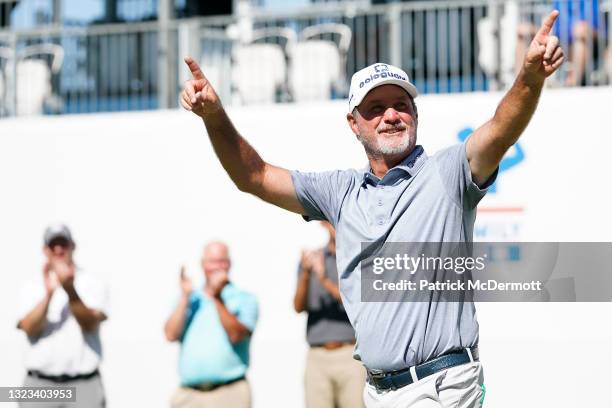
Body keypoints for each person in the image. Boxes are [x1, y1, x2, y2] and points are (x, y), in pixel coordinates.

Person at [179, 9, 564, 407]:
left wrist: (530, 78)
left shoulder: (447, 171)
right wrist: (214, 117)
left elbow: (500, 129)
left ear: (415, 115)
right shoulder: (339, 191)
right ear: (353, 123)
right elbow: (254, 177)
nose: (391, 115)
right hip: (377, 392)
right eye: (375, 108)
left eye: (401, 104)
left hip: (443, 386)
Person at [16, 224, 109, 408]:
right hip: (39, 384)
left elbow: (90, 324)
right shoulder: (30, 285)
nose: (58, 249)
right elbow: (28, 328)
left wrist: (69, 289)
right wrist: (49, 295)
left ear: (72, 246)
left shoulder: (93, 282)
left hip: (83, 384)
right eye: (53, 245)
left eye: (63, 244)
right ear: (45, 250)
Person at [164, 241, 258, 408]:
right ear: (202, 264)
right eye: (212, 261)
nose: (217, 267)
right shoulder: (191, 299)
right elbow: (170, 334)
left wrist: (217, 297)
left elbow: (236, 335)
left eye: (222, 261)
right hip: (189, 395)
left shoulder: (244, 298)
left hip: (230, 393)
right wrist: (185, 297)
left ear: (229, 264)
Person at [294, 221, 365, 408]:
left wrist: (323, 279)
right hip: (317, 355)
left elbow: (357, 303)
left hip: (350, 354)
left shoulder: (357, 260)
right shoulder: (313, 258)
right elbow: (298, 306)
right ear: (323, 224)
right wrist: (306, 274)